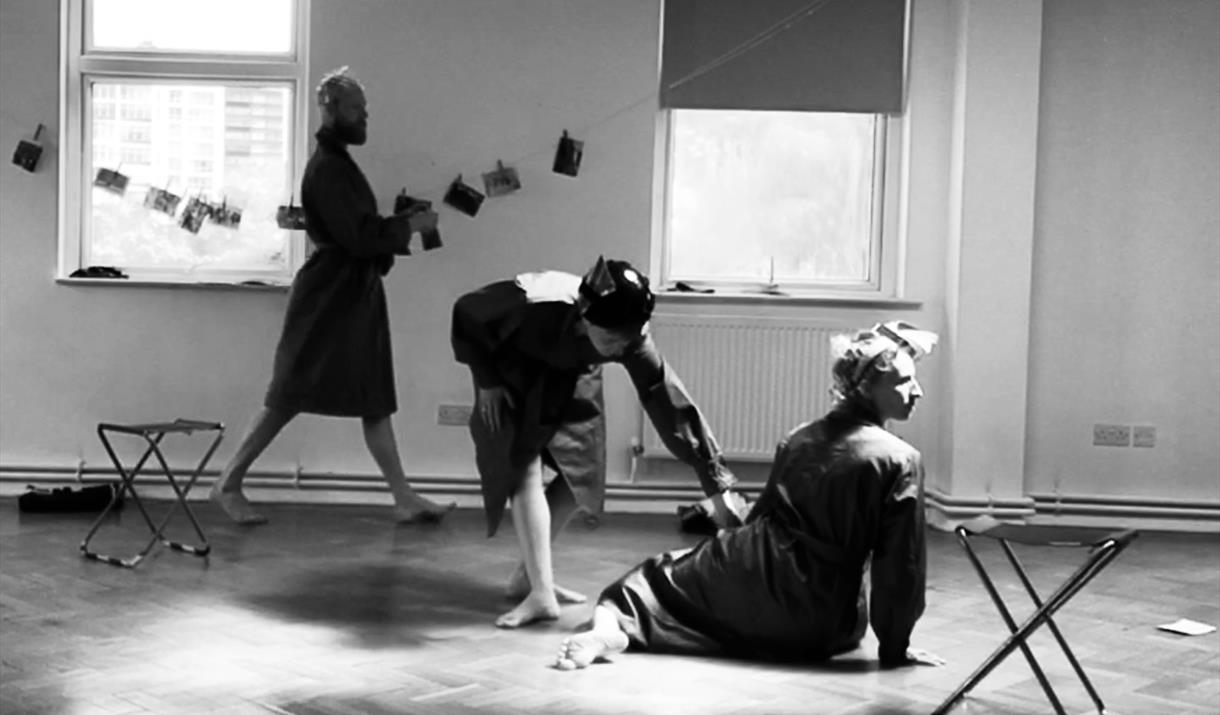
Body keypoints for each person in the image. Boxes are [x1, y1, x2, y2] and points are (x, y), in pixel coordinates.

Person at [553, 321, 946, 671]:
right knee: (671, 577)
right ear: (865, 387)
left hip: (756, 574)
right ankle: (617, 634)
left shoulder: (799, 437)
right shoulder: (900, 460)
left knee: (645, 582)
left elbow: (761, 520)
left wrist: (721, 547)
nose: (918, 391)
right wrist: (896, 647)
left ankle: (612, 630)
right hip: (821, 623)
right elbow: (901, 568)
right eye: (902, 381)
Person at [210, 67, 454, 526]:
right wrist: (409, 226)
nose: (365, 118)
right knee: (289, 392)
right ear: (331, 109)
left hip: (352, 291)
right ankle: (227, 482)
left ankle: (402, 497)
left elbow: (358, 232)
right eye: (357, 109)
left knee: (373, 396)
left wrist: (396, 224)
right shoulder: (328, 168)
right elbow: (359, 238)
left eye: (365, 110)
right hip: (330, 295)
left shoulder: (338, 163)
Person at [450, 257, 751, 628]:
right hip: (515, 370)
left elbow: (672, 405)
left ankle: (528, 575)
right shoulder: (534, 302)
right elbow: (466, 311)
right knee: (523, 467)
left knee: (582, 474)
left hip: (573, 371)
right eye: (610, 338)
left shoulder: (629, 339)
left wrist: (717, 489)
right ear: (584, 316)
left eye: (629, 337)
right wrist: (487, 379)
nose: (618, 348)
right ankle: (542, 593)